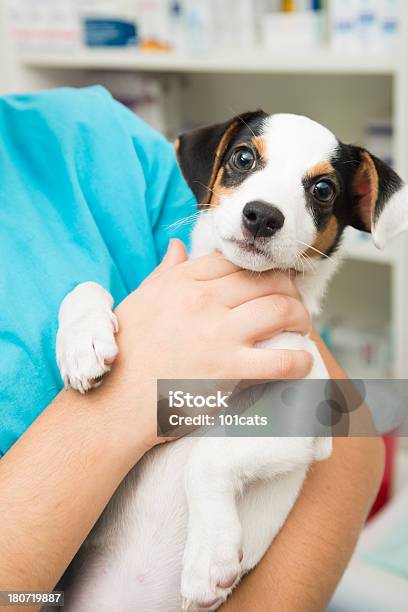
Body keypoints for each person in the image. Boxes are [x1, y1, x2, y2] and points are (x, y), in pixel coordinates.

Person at [0, 87, 384, 611]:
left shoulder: (101, 137)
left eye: (319, 191)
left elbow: (341, 438)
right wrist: (123, 384)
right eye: (245, 161)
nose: (264, 209)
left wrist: (209, 463)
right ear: (217, 167)